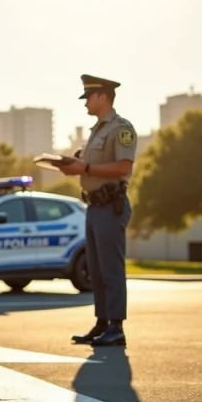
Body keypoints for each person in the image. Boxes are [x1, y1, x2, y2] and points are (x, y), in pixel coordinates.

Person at [58, 75, 137, 347]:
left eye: (89, 98)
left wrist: (86, 169)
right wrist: (72, 165)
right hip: (93, 207)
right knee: (97, 269)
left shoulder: (120, 128)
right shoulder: (96, 131)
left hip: (110, 206)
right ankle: (102, 323)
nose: (85, 104)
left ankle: (117, 327)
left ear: (103, 97)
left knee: (111, 268)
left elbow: (123, 167)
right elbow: (87, 166)